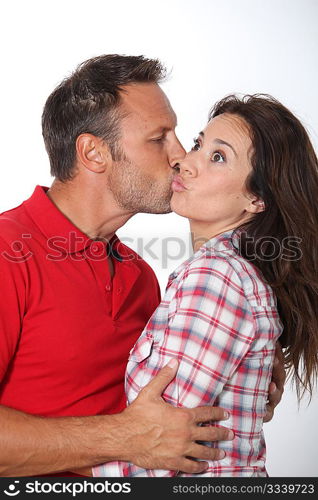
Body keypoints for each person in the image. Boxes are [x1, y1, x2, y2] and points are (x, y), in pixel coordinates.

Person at [0, 55, 284, 477]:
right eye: (159, 139)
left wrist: (243, 373)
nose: (180, 155)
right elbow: (140, 434)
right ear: (94, 152)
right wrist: (123, 437)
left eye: (179, 136)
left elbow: (162, 413)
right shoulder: (9, 252)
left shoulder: (142, 278)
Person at [92, 94, 318, 477]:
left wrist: (43, 469)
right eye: (199, 145)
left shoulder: (216, 277)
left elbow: (157, 453)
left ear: (256, 198)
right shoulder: (233, 274)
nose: (185, 161)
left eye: (218, 157)